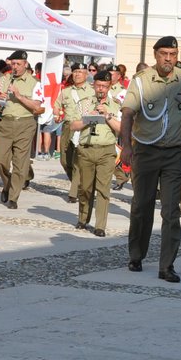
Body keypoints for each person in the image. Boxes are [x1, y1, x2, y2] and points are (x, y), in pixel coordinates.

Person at [120, 36, 181, 282]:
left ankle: (166, 266)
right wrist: (125, 145)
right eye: (163, 54)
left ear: (177, 56)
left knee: (171, 212)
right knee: (142, 206)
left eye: (172, 54)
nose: (168, 59)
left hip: (174, 153)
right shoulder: (141, 82)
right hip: (146, 150)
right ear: (155, 55)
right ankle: (136, 255)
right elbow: (128, 113)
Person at [72, 68, 122, 236]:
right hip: (86, 149)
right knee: (85, 188)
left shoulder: (116, 104)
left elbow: (121, 129)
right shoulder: (84, 102)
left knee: (103, 189)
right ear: (94, 86)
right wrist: (88, 118)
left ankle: (100, 225)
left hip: (106, 151)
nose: (101, 89)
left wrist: (107, 116)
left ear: (109, 87)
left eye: (105, 86)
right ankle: (83, 217)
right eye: (98, 86)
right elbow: (73, 125)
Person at [0, 49, 44, 209]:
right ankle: (7, 184)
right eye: (13, 64)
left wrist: (19, 96)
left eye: (18, 64)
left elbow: (37, 106)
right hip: (5, 122)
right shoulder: (3, 80)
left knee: (20, 162)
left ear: (25, 64)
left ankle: (13, 197)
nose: (15, 67)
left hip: (25, 123)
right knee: (0, 160)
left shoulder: (35, 83)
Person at [55, 62, 94, 200]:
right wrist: (56, 114)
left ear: (86, 74)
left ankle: (73, 193)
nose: (77, 74)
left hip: (84, 126)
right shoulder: (66, 91)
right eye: (75, 71)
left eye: (80, 71)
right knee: (65, 161)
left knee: (78, 160)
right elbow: (57, 105)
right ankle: (78, 185)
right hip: (68, 126)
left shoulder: (92, 91)